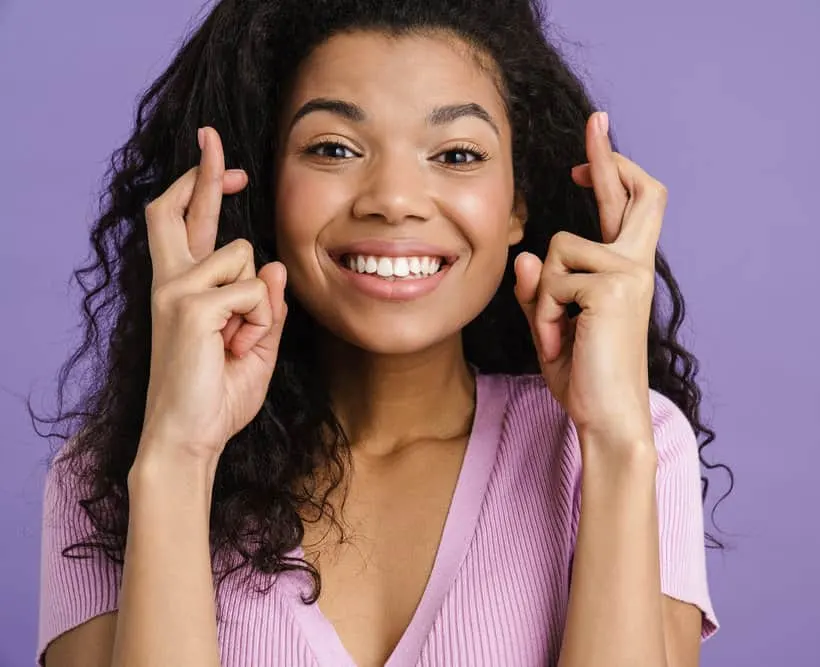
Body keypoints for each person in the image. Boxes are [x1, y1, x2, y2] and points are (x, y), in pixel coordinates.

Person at [33, 0, 729, 665]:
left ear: (518, 203)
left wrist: (612, 440)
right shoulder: (111, 474)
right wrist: (177, 457)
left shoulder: (629, 443)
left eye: (456, 155)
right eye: (334, 148)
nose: (394, 198)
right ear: (266, 186)